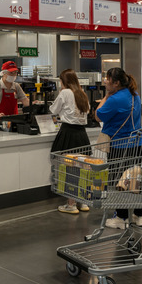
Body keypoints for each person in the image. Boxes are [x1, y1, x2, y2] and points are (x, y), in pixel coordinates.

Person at [94, 68, 142, 229]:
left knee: (119, 181)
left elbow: (98, 115)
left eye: (108, 79)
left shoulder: (115, 99)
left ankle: (121, 218)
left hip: (120, 145)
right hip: (137, 145)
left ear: (116, 83)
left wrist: (106, 97)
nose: (105, 81)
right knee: (135, 179)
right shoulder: (135, 95)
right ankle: (139, 215)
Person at [50, 69, 92, 214]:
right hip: (82, 134)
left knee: (69, 169)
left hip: (68, 133)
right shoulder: (82, 94)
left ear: (64, 81)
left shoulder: (65, 93)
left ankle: (71, 204)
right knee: (82, 168)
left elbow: (53, 110)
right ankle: (83, 202)